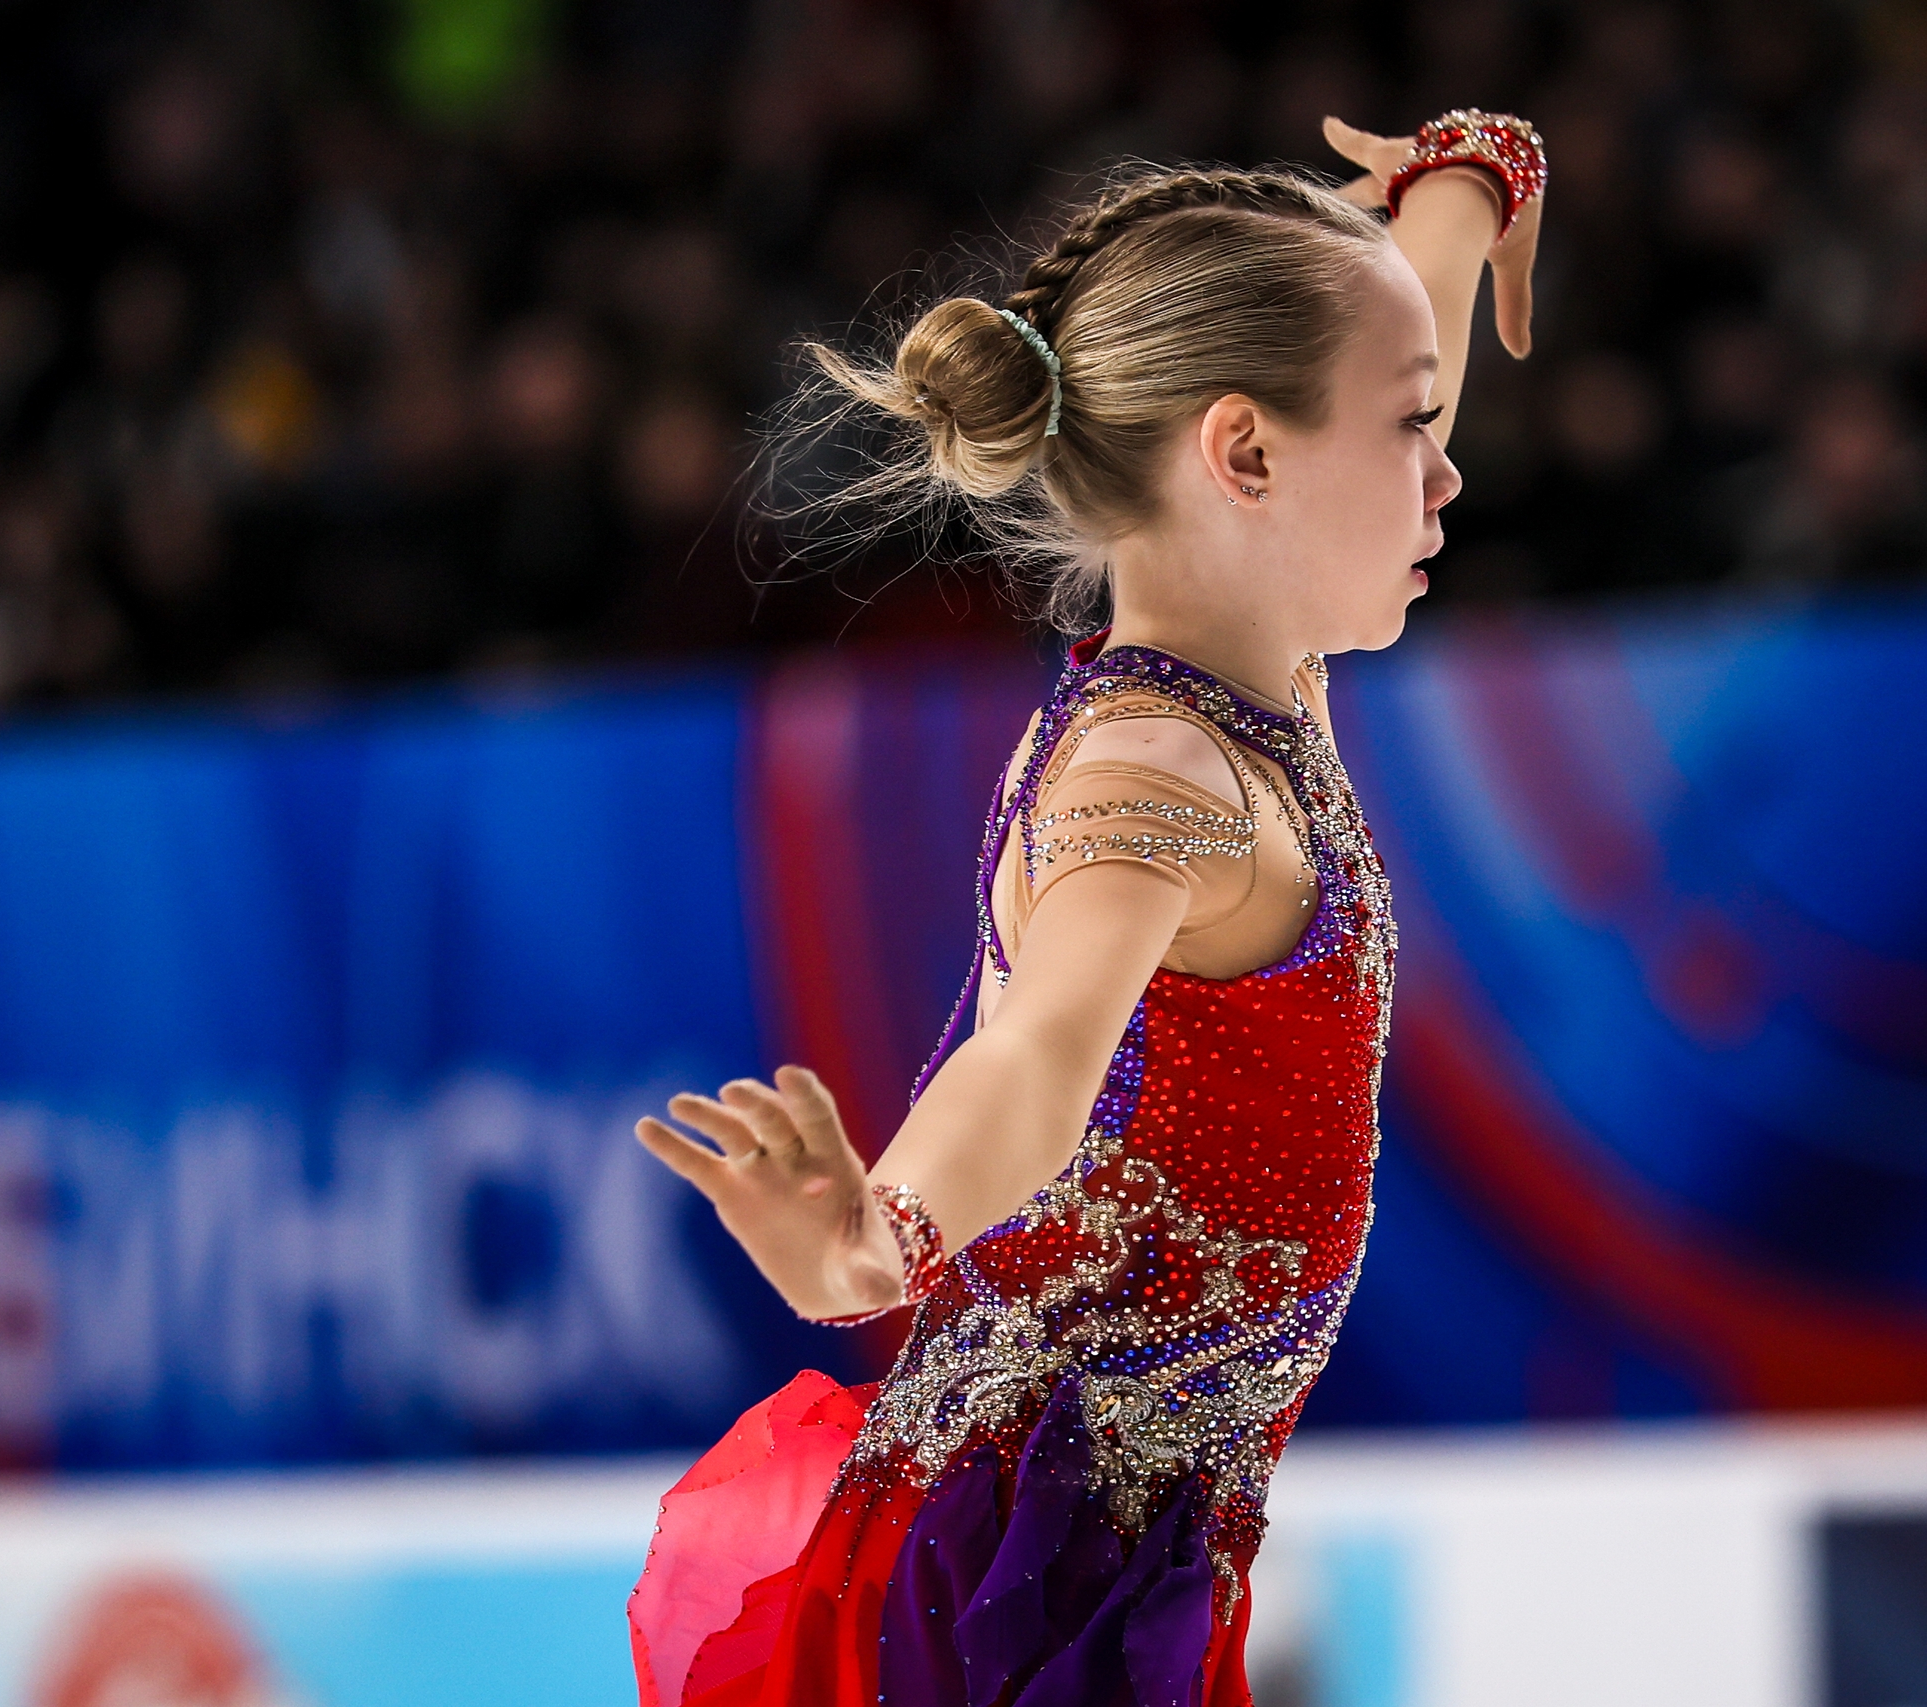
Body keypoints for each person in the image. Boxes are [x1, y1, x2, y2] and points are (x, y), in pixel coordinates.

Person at [627, 112, 1547, 1707]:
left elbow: (1382, 372)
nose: (1449, 466)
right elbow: (1034, 1060)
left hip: (1110, 1545)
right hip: (1028, 1588)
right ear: (1243, 456)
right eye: (1414, 429)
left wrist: (1473, 179)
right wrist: (876, 1239)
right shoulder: (1160, 772)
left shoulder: (1260, 668)